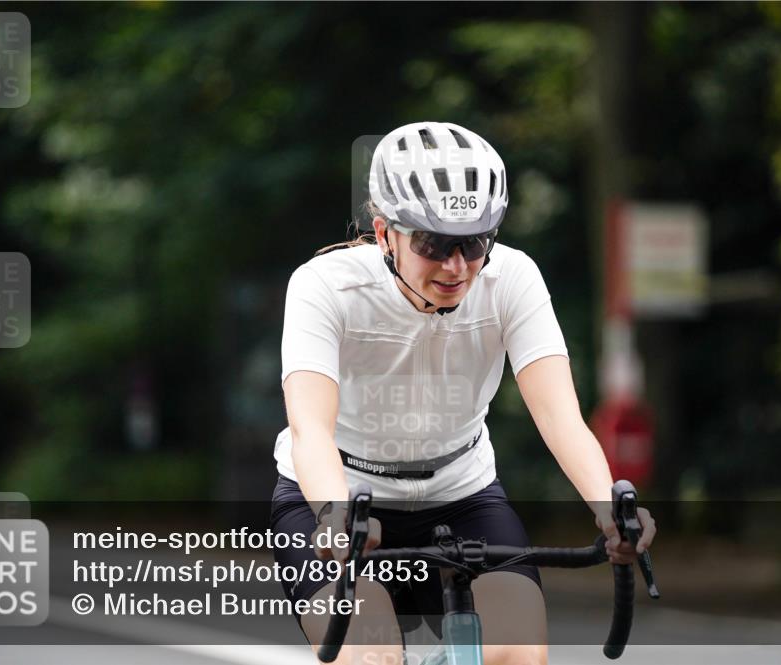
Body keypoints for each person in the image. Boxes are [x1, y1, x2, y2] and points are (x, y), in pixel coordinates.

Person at [269, 122, 656, 665]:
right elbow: (310, 429)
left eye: (475, 243)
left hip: (462, 494)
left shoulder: (513, 279)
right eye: (433, 243)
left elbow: (561, 417)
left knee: (518, 654)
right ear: (385, 234)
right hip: (340, 499)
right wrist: (336, 518)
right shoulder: (325, 287)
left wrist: (607, 507)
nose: (456, 266)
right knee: (370, 657)